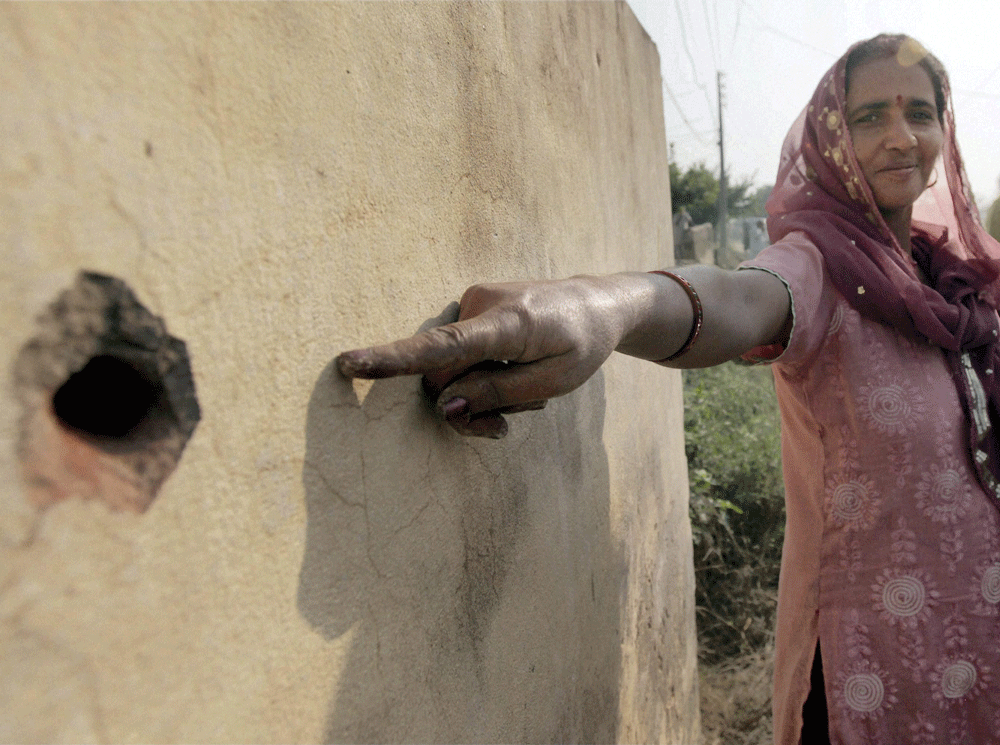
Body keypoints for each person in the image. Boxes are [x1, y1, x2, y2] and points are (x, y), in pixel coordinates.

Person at [338, 34, 1000, 744]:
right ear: (830, 138)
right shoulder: (821, 265)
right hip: (870, 664)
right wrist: (607, 307)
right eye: (869, 116)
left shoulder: (961, 280)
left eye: (920, 113)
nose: (901, 136)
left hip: (984, 633)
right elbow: (738, 298)